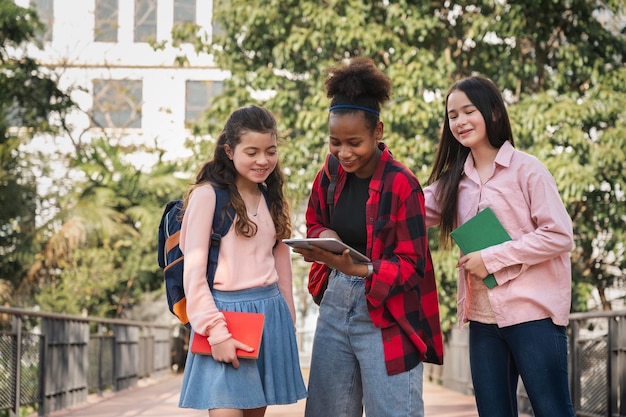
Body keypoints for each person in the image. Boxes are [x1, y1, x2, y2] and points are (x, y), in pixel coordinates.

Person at [292, 57, 444, 417]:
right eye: (335, 142)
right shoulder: (328, 173)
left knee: (393, 412)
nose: (343, 153)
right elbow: (314, 221)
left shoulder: (402, 184)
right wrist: (324, 237)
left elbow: (413, 265)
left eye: (354, 142)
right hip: (334, 303)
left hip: (388, 312)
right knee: (327, 411)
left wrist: (363, 269)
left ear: (378, 131)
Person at [424, 76, 575, 417]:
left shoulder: (527, 169)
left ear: (492, 113)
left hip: (532, 314)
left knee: (552, 411)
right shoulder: (453, 183)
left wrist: (491, 258)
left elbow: (560, 235)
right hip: (482, 322)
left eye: (468, 111)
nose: (460, 122)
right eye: (452, 116)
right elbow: (408, 209)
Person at [177, 105, 307, 416]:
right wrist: (216, 332)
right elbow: (193, 275)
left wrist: (287, 319)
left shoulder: (271, 197)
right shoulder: (208, 196)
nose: (263, 160)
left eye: (270, 151)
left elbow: (282, 269)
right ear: (229, 150)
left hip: (268, 316)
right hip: (223, 318)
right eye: (252, 152)